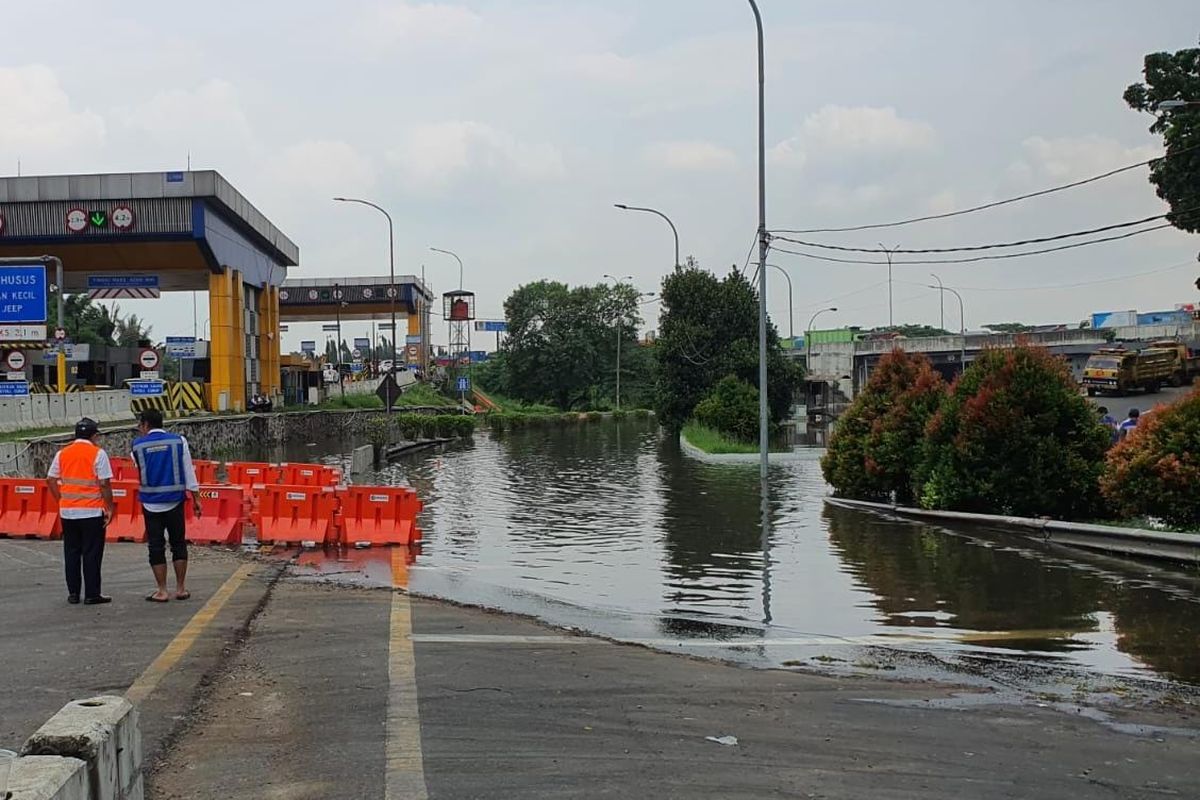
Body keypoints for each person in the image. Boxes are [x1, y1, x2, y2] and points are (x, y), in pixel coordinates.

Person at [131, 409, 201, 602]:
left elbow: (140, 469)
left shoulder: (136, 446)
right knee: (178, 543)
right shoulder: (179, 441)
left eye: (140, 426)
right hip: (175, 500)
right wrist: (196, 499)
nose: (139, 430)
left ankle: (162, 590)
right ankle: (181, 588)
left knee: (156, 546)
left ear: (145, 425)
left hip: (150, 503)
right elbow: (189, 472)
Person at [46, 418, 115, 605]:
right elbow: (104, 483)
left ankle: (73, 593)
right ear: (94, 436)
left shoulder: (62, 453)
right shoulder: (98, 454)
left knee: (71, 552)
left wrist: (60, 499)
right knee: (91, 553)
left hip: (68, 512)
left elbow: (51, 479)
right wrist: (110, 507)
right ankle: (92, 594)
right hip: (91, 512)